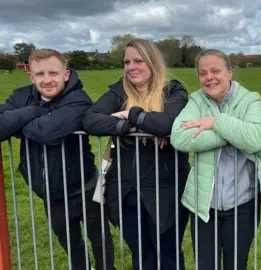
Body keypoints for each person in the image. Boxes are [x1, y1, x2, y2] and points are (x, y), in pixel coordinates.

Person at [0, 49, 115, 269]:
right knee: (70, 244)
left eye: (53, 73)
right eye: (40, 74)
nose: (46, 80)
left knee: (100, 239)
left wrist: (19, 122)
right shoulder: (21, 96)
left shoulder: (79, 99)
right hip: (50, 192)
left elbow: (49, 133)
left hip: (85, 186)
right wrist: (34, 112)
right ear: (30, 76)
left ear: (66, 74)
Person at [82, 39, 190, 270]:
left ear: (152, 63)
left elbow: (168, 123)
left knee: (168, 255)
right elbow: (91, 120)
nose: (131, 67)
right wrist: (130, 127)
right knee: (141, 256)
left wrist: (129, 114)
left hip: (165, 190)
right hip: (124, 190)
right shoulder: (118, 90)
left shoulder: (173, 90)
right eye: (127, 62)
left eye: (138, 61)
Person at [170, 49, 261, 270]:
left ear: (230, 72)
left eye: (216, 70)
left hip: (242, 204)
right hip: (203, 205)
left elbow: (256, 139)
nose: (209, 77)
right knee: (205, 265)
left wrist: (216, 122)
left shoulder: (250, 99)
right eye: (203, 73)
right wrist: (233, 135)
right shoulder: (197, 100)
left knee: (236, 265)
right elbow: (179, 137)